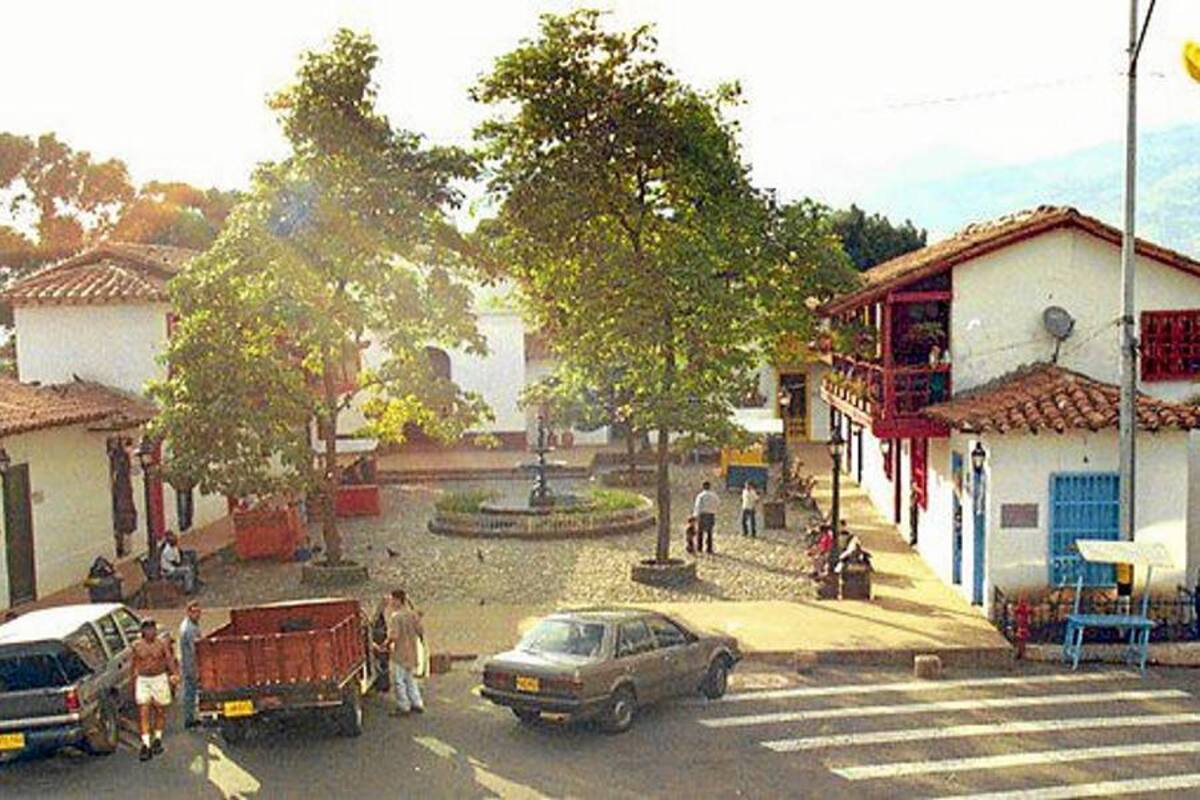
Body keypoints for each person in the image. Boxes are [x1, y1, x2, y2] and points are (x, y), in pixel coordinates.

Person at [131, 619, 180, 761]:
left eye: (153, 628)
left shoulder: (161, 644)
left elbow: (169, 660)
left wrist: (175, 674)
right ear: (143, 631)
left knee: (160, 710)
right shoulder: (136, 646)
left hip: (159, 678)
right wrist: (133, 684)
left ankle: (157, 738)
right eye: (148, 629)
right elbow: (133, 665)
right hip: (143, 680)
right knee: (144, 710)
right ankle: (145, 744)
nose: (151, 632)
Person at [383, 589, 425, 716]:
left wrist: (385, 645)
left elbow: (394, 636)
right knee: (410, 679)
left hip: (400, 653)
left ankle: (403, 705)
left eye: (392, 600)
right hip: (412, 651)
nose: (391, 602)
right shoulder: (412, 615)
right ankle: (417, 702)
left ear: (397, 600)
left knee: (399, 680)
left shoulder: (396, 617)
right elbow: (420, 631)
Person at [177, 601, 201, 729]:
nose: (197, 615)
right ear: (188, 612)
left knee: (190, 692)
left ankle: (190, 717)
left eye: (198, 612)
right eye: (194, 612)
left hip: (188, 664)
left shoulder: (191, 625)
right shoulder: (189, 629)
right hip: (191, 665)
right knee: (191, 692)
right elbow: (195, 650)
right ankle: (189, 719)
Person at [692, 481, 720, 555]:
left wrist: (695, 515)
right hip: (711, 514)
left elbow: (698, 506)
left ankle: (699, 547)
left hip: (702, 514)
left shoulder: (701, 495)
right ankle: (709, 548)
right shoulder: (714, 495)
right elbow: (717, 503)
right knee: (709, 532)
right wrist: (714, 510)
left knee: (700, 532)